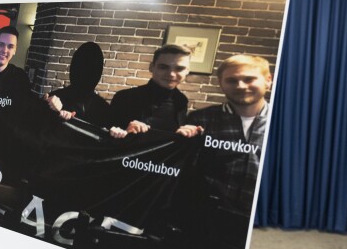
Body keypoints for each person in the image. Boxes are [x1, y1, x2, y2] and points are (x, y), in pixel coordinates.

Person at [186, 54, 273, 213]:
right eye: (232, 80)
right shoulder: (200, 118)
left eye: (249, 79)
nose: (240, 86)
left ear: (268, 80)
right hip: (206, 216)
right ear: (221, 83)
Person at [109, 44, 196, 137]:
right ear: (151, 67)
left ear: (187, 71)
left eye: (179, 68)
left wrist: (187, 134)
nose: (171, 74)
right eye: (163, 67)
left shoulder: (181, 101)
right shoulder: (124, 97)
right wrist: (124, 133)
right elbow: (104, 138)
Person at [45, 42, 111, 127]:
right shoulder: (55, 100)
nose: (84, 73)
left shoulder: (104, 110)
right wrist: (47, 106)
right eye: (81, 66)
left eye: (90, 69)